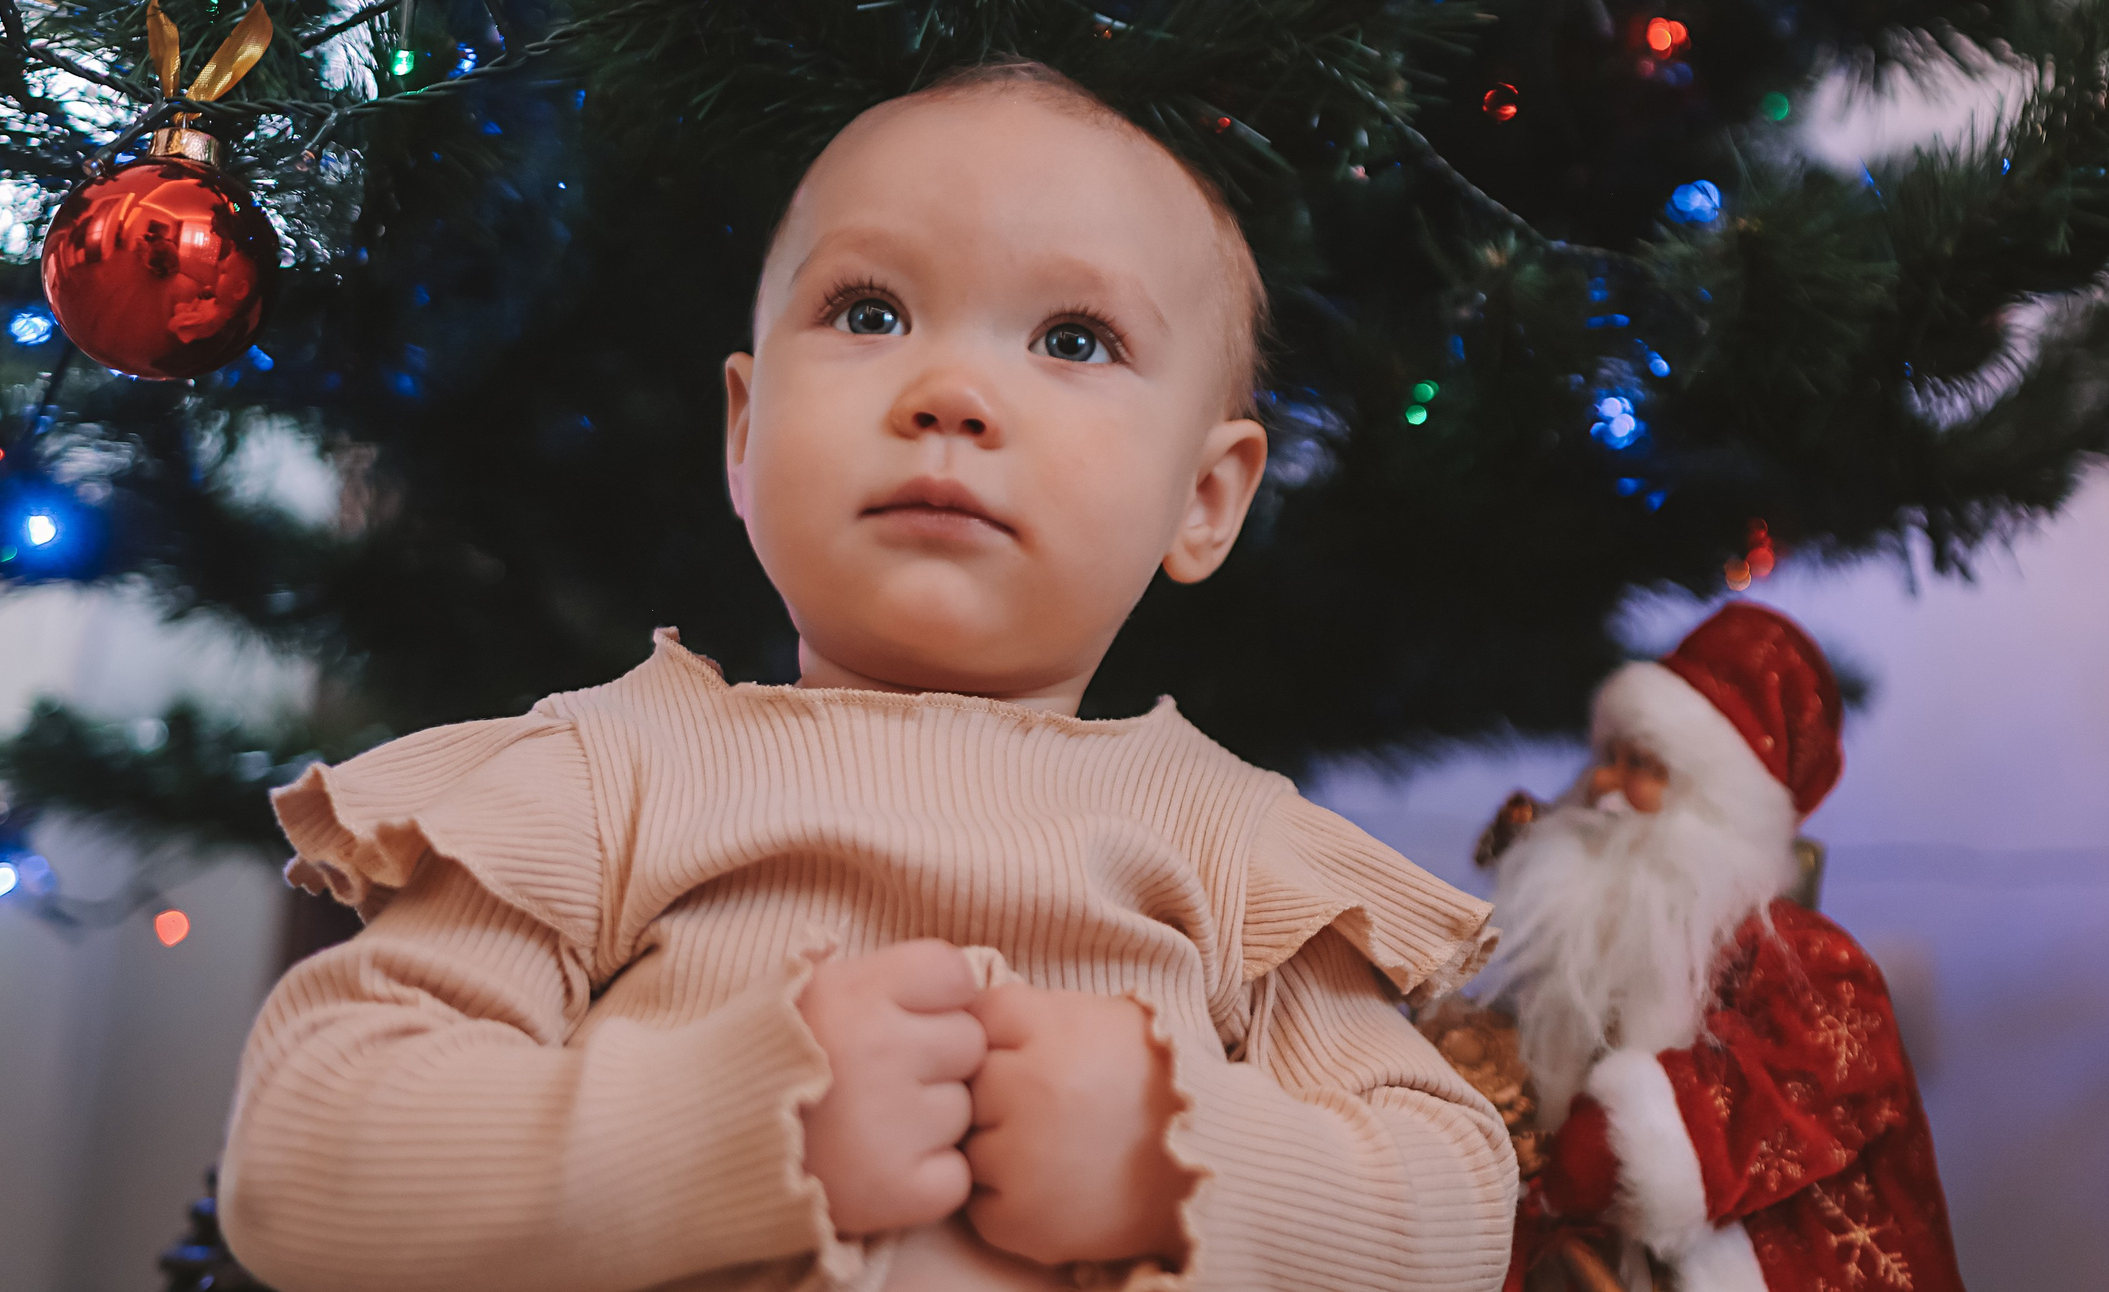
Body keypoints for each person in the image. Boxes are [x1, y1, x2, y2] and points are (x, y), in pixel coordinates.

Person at [215, 62, 1517, 1292]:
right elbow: (308, 1143)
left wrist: (1175, 1153)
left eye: (1073, 338)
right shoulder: (606, 780)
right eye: (870, 313)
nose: (950, 392)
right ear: (745, 432)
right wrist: (734, 1119)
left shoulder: (1242, 855)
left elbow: (1453, 1203)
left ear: (1206, 496)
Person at [1483, 604, 1964, 1292]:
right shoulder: (1604, 935)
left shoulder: (1803, 957)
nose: (1607, 786)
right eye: (1608, 758)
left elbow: (1823, 1074)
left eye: (1642, 765)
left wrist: (1620, 1139)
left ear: (1710, 805)